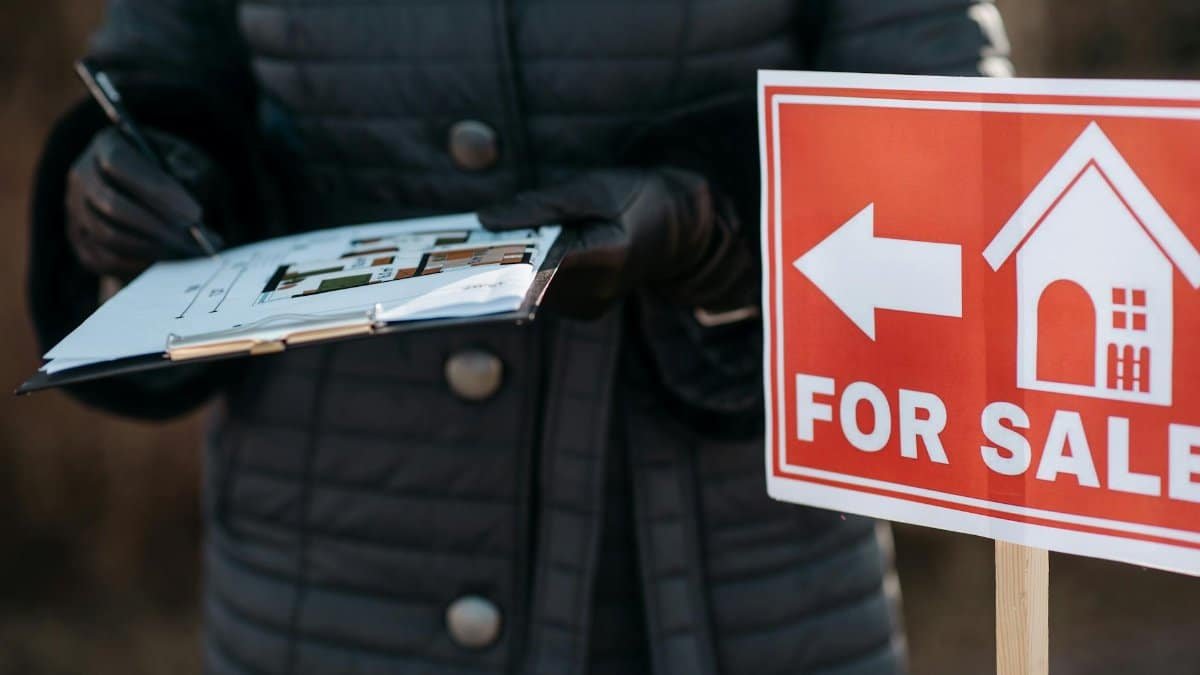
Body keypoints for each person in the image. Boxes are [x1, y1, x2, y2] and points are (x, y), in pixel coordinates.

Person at [28, 2, 1011, 673]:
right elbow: (162, 65)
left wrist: (716, 228)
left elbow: (949, 138)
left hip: (717, 587)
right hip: (323, 573)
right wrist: (143, 179)